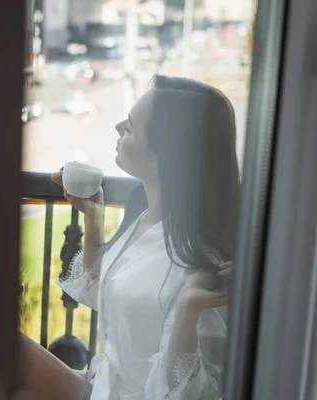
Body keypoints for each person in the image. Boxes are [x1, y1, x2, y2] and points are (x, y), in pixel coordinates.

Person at [21, 75, 239, 400]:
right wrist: (93, 218)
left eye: (132, 126)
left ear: (167, 155)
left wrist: (188, 309)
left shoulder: (202, 263)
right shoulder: (146, 216)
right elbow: (111, 295)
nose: (118, 126)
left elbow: (194, 393)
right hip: (103, 386)